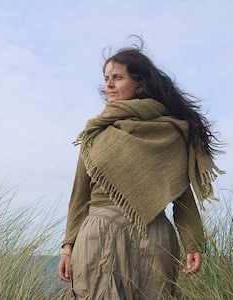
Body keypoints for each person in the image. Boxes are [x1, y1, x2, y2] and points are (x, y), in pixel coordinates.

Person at [58, 38, 224, 299]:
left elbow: (182, 195)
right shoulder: (96, 133)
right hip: (98, 238)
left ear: (139, 83)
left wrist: (193, 243)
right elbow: (80, 196)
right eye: (106, 78)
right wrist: (68, 247)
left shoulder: (169, 133)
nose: (109, 84)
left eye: (117, 77)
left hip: (153, 241)